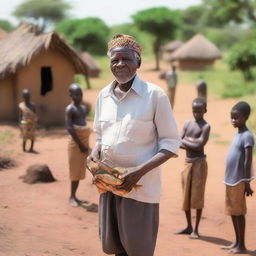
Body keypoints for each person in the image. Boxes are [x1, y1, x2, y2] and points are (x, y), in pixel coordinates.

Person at [88, 34, 180, 256]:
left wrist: (138, 172)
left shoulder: (154, 96)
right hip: (109, 184)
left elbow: (171, 143)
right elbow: (100, 135)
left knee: (138, 249)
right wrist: (94, 154)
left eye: (126, 59)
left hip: (139, 188)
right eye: (114, 60)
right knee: (114, 246)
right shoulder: (103, 96)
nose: (120, 65)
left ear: (138, 62)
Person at [175, 97, 210, 239]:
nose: (196, 114)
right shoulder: (188, 123)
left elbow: (199, 145)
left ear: (205, 111)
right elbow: (178, 142)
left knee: (197, 196)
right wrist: (192, 141)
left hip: (199, 164)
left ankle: (196, 229)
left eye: (199, 111)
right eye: (194, 111)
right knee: (186, 196)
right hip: (188, 163)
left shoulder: (206, 126)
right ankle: (189, 226)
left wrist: (185, 141)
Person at [222, 101, 254, 254]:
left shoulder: (247, 136)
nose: (233, 121)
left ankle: (242, 245)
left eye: (236, 118)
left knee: (239, 212)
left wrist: (247, 182)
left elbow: (248, 160)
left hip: (239, 180)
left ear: (246, 117)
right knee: (233, 212)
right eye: (232, 118)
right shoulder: (238, 133)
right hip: (230, 179)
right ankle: (236, 242)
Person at [65, 83, 91, 207]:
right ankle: (71, 196)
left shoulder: (83, 108)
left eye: (80, 94)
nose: (78, 96)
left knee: (80, 170)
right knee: (74, 171)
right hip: (76, 145)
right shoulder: (70, 109)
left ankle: (75, 196)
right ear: (70, 95)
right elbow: (70, 128)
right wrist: (80, 144)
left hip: (84, 143)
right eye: (75, 94)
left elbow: (83, 124)